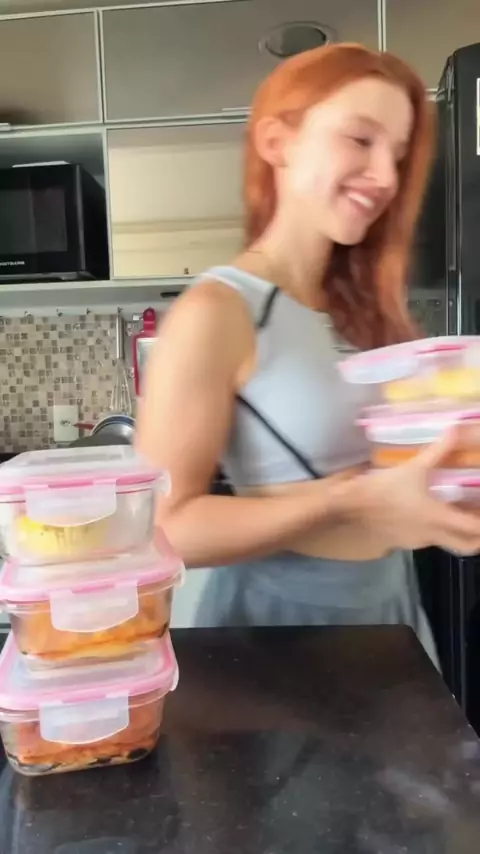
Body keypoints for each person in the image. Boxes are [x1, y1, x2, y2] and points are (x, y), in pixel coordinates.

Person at [136, 43, 480, 665]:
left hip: (389, 611)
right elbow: (163, 528)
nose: (386, 177)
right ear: (279, 142)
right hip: (278, 638)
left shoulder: (363, 310)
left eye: (398, 154)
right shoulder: (218, 310)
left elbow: (392, 469)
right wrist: (349, 499)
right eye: (360, 139)